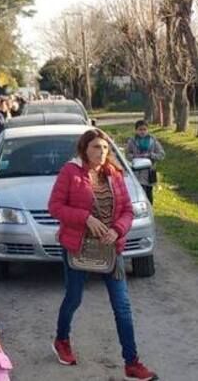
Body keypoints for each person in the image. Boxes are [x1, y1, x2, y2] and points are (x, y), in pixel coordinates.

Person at [48, 129, 158, 381]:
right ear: (85, 148)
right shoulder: (70, 172)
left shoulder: (115, 174)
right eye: (97, 147)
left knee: (122, 307)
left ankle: (132, 363)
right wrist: (85, 218)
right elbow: (54, 207)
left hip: (111, 250)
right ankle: (62, 339)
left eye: (106, 148)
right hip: (78, 247)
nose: (102, 152)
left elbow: (128, 211)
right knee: (74, 298)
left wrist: (118, 229)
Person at [125, 120, 165, 205]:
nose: (142, 132)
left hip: (149, 172)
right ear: (136, 130)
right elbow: (127, 155)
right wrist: (135, 157)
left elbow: (161, 155)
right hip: (137, 173)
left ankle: (150, 212)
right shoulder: (132, 141)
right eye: (140, 129)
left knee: (149, 194)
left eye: (144, 129)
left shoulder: (153, 141)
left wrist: (151, 155)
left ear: (147, 130)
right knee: (139, 195)